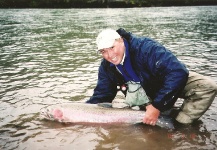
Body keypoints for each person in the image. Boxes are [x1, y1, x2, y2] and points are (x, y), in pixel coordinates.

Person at [86, 28, 217, 126]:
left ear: (121, 40)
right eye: (103, 51)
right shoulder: (106, 66)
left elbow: (178, 72)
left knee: (207, 86)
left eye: (112, 48)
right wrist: (77, 111)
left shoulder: (145, 48)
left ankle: (179, 125)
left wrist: (156, 106)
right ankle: (159, 116)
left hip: (163, 82)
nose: (109, 55)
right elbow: (102, 95)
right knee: (146, 123)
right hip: (144, 92)